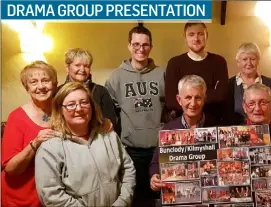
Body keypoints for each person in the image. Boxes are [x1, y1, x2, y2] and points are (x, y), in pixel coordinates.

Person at [35, 82, 136, 206]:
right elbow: (51, 195)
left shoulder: (109, 135)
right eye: (71, 105)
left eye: (84, 102)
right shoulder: (50, 148)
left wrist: (122, 203)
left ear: (92, 106)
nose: (79, 108)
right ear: (60, 110)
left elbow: (128, 170)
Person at [105, 25, 165, 206]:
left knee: (161, 196)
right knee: (136, 197)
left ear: (151, 47)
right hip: (131, 149)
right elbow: (110, 115)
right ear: (129, 46)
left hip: (159, 148)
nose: (141, 49)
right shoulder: (115, 77)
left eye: (145, 45)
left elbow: (171, 108)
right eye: (136, 44)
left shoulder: (162, 74)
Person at [1, 61, 58, 207]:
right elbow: (10, 169)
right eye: (33, 82)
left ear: (54, 83)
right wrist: (35, 143)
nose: (41, 86)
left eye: (45, 80)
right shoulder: (17, 117)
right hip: (20, 195)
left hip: (50, 193)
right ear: (27, 87)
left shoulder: (61, 111)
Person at [149, 75, 217, 192]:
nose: (193, 103)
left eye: (198, 98)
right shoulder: (168, 129)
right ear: (179, 100)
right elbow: (155, 162)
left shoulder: (216, 127)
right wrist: (154, 177)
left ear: (204, 99)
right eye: (188, 97)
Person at [165, 21, 229, 124]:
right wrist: (210, 94)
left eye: (200, 34)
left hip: (212, 124)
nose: (196, 39)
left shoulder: (219, 62)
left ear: (206, 36)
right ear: (185, 37)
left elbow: (221, 96)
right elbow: (171, 101)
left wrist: (186, 97)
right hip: (183, 125)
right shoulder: (174, 64)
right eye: (191, 34)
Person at [60, 48, 118, 134]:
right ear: (67, 68)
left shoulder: (100, 91)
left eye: (86, 66)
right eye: (77, 65)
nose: (82, 69)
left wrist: (108, 123)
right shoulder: (59, 92)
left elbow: (111, 120)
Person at [224, 42, 271, 125]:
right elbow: (225, 115)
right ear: (238, 62)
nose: (249, 63)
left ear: (258, 61)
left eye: (252, 59)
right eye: (245, 59)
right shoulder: (229, 85)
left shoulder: (269, 83)